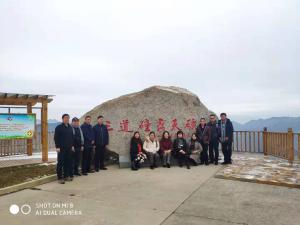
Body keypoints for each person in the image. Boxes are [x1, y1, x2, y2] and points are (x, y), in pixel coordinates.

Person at [54, 114, 74, 184]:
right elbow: (56, 138)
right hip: (61, 149)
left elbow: (72, 137)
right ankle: (59, 178)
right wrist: (57, 147)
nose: (67, 119)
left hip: (68, 148)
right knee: (60, 163)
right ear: (62, 119)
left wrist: (72, 146)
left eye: (68, 118)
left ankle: (66, 176)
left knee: (67, 163)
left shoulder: (70, 127)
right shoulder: (59, 127)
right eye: (65, 118)